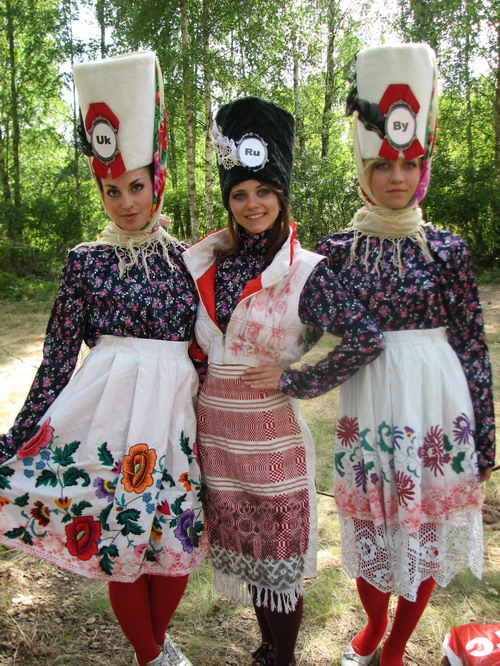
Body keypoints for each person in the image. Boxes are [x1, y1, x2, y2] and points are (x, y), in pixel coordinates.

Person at [0, 52, 208, 666]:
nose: (125, 202)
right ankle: (151, 656)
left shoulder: (192, 259)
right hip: (111, 421)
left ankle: (156, 645)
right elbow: (58, 356)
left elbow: (209, 349)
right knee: (121, 542)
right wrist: (20, 433)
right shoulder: (84, 261)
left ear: (157, 182)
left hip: (173, 423)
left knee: (174, 541)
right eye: (111, 190)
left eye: (136, 186)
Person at [182, 96, 385, 666]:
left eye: (264, 191)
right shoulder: (206, 262)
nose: (253, 204)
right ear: (228, 200)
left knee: (278, 562)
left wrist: (297, 378)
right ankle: (268, 649)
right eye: (240, 193)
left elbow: (366, 336)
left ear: (281, 195)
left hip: (272, 441)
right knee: (250, 555)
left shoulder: (305, 271)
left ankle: (284, 659)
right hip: (216, 437)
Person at [314, 43, 495, 666]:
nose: (397, 176)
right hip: (368, 399)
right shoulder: (337, 251)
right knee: (371, 522)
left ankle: (394, 646)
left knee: (421, 527)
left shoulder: (448, 250)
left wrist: (486, 437)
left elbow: (472, 344)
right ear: (362, 169)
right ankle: (371, 626)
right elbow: (295, 318)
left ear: (424, 168)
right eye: (383, 164)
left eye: (410, 163)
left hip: (435, 401)